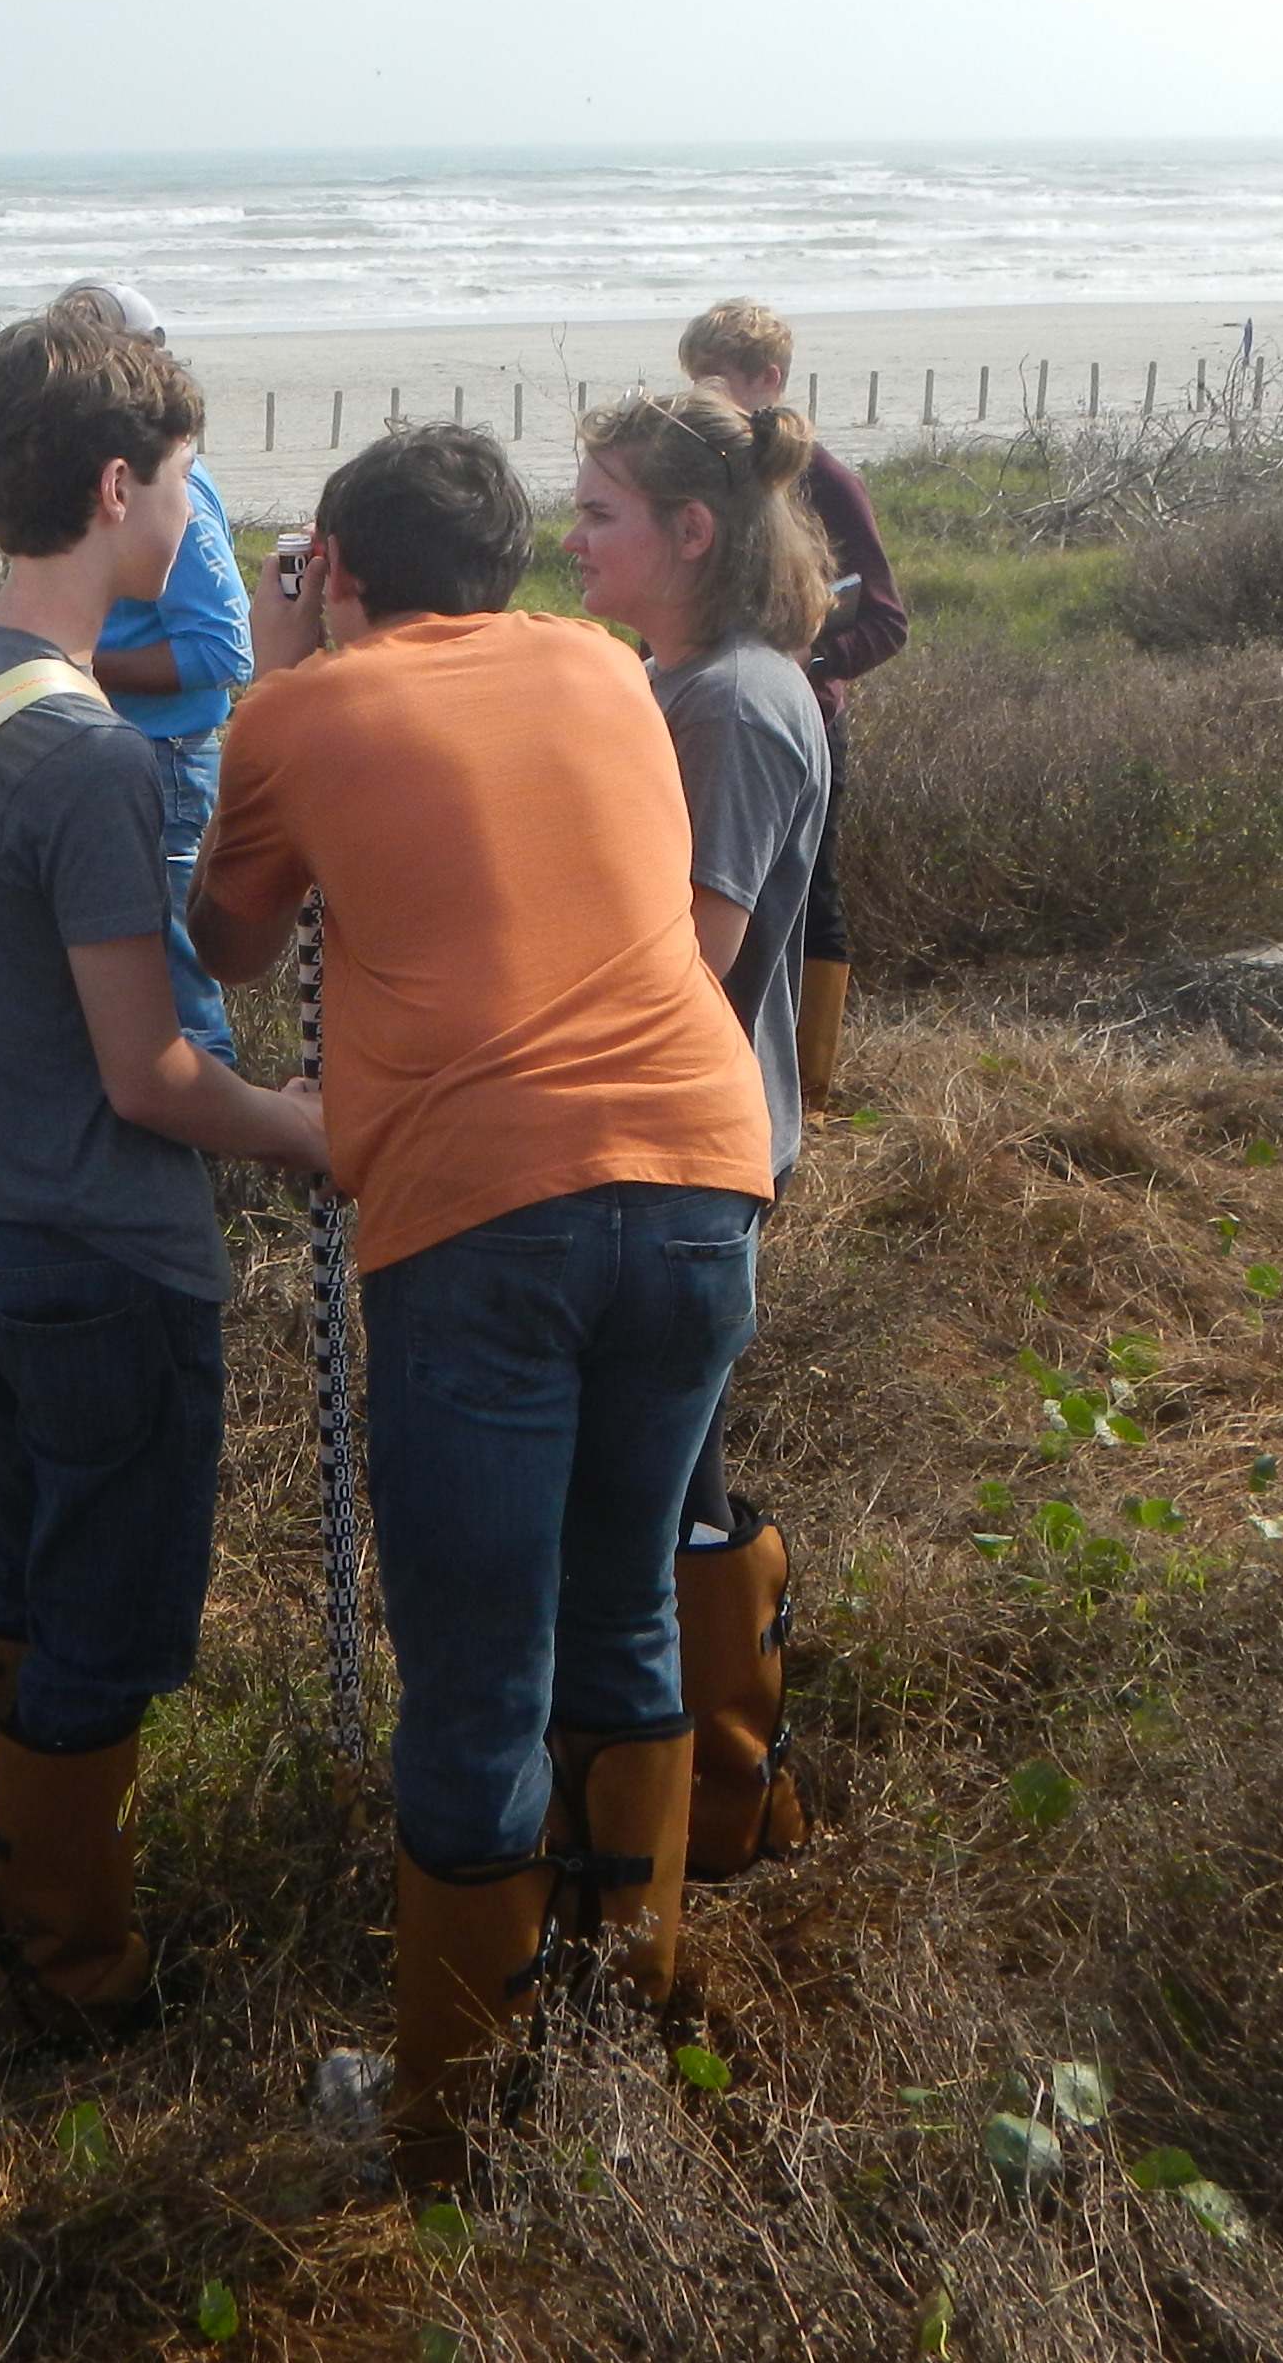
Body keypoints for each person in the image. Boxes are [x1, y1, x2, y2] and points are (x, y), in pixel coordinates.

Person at [191, 424, 774, 2184]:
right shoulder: (609, 674)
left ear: (341, 570)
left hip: (478, 1221)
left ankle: (450, 2119)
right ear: (508, 563)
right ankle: (623, 2017)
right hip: (697, 1183)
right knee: (623, 1616)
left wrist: (282, 670)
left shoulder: (294, 713)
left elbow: (228, 943)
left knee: (472, 1675)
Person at [0, 308, 329, 2042]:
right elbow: (154, 1073)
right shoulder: (92, 761)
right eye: (185, 489)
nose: (189, 525)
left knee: (24, 1573)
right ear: (122, 487)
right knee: (110, 1634)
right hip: (98, 1263)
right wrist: (303, 1129)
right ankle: (75, 1983)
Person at [560, 387, 834, 1883]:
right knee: (672, 1481)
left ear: (690, 530)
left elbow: (691, 960)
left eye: (601, 514)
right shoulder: (691, 678)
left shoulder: (727, 701)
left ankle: (711, 1806)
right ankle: (717, 1798)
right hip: (689, 1139)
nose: (572, 538)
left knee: (658, 1495)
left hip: (688, 1144)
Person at [677, 300, 907, 1111]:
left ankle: (810, 1087)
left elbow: (884, 621)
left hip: (803, 721)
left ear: (766, 381)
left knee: (811, 896)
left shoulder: (825, 480)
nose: (702, 395)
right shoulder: (702, 480)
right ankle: (736, 1068)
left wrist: (798, 663)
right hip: (721, 713)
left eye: (716, 379)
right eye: (691, 379)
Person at [63, 283, 256, 1063]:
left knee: (173, 984)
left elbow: (223, 652)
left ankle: (207, 1167)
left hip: (168, 760)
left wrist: (70, 661)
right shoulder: (89, 477)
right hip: (108, 749)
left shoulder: (173, 484)